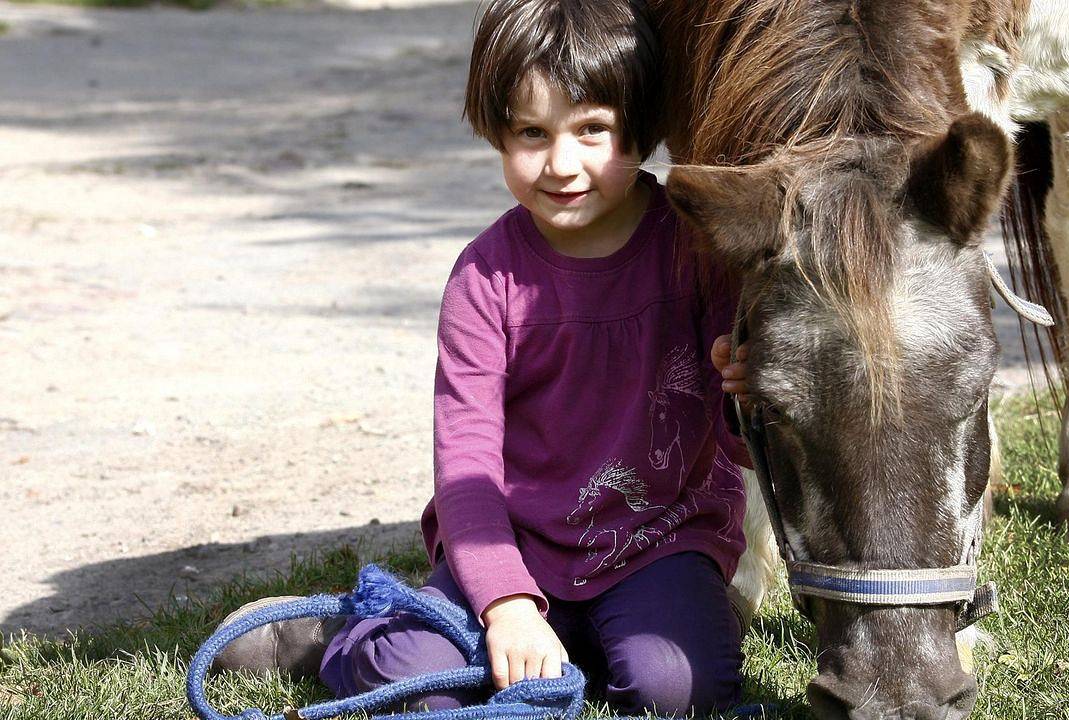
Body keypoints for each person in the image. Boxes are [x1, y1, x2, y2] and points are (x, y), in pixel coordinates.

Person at [214, 0, 755, 716]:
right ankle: (337, 637)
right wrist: (504, 603)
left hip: (658, 539)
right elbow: (465, 464)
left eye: (593, 130)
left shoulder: (697, 253)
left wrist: (746, 396)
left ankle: (609, 637)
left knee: (682, 688)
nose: (563, 164)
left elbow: (739, 442)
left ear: (644, 127)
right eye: (533, 133)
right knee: (421, 682)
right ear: (496, 130)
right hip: (515, 541)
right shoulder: (483, 277)